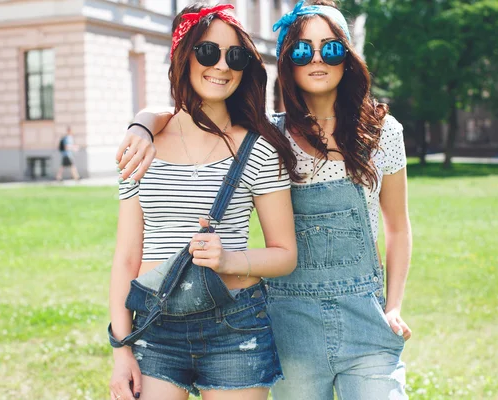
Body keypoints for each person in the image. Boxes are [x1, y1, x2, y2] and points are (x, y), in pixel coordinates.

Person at [116, 1, 413, 399]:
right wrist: (143, 121)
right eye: (303, 50)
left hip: (355, 316)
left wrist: (393, 305)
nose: (318, 58)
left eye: (332, 48)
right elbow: (181, 113)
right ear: (286, 61)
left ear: (349, 57)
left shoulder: (377, 134)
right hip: (284, 320)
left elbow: (397, 225)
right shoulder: (274, 134)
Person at [108, 5, 298, 400]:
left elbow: (285, 255)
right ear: (184, 56)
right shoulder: (142, 147)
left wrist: (229, 259)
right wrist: (121, 349)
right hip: (156, 328)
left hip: (236, 326)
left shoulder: (259, 148)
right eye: (208, 52)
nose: (222, 66)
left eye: (236, 56)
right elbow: (126, 257)